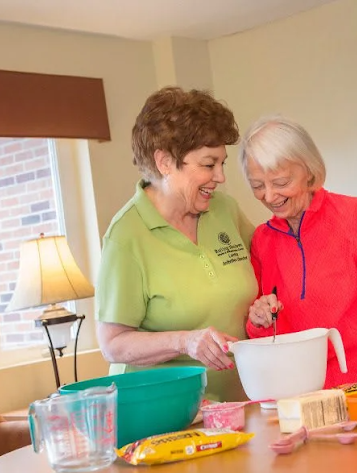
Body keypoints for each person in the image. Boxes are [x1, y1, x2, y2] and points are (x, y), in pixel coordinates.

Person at [239, 115, 357, 388]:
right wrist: (258, 321)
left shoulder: (355, 217)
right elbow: (269, 339)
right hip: (303, 402)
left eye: (280, 182)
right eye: (257, 186)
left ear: (309, 170)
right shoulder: (262, 240)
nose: (269, 196)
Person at [95, 87, 257, 401]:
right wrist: (186, 341)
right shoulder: (126, 236)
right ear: (165, 162)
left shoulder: (224, 210)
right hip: (166, 412)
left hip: (237, 403)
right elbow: (112, 344)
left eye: (221, 164)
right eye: (209, 165)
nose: (220, 177)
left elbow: (267, 270)